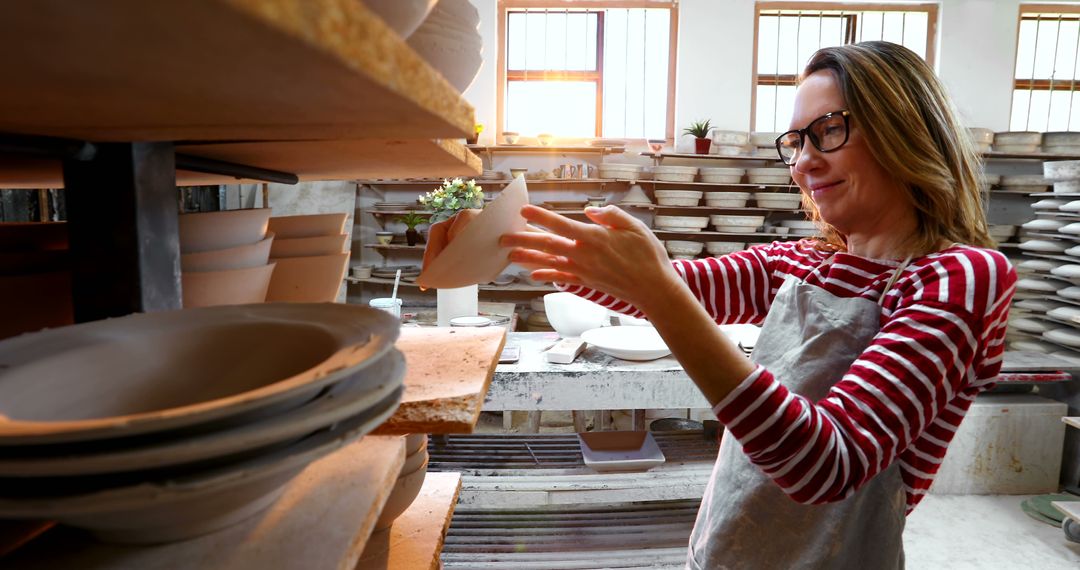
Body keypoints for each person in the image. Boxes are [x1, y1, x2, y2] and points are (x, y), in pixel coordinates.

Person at [492, 41, 1016, 568]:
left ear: (906, 127)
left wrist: (660, 292)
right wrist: (500, 242)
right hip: (726, 551)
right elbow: (658, 287)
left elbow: (825, 463)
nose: (804, 162)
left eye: (830, 130)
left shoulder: (958, 277)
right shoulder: (804, 262)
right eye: (795, 141)